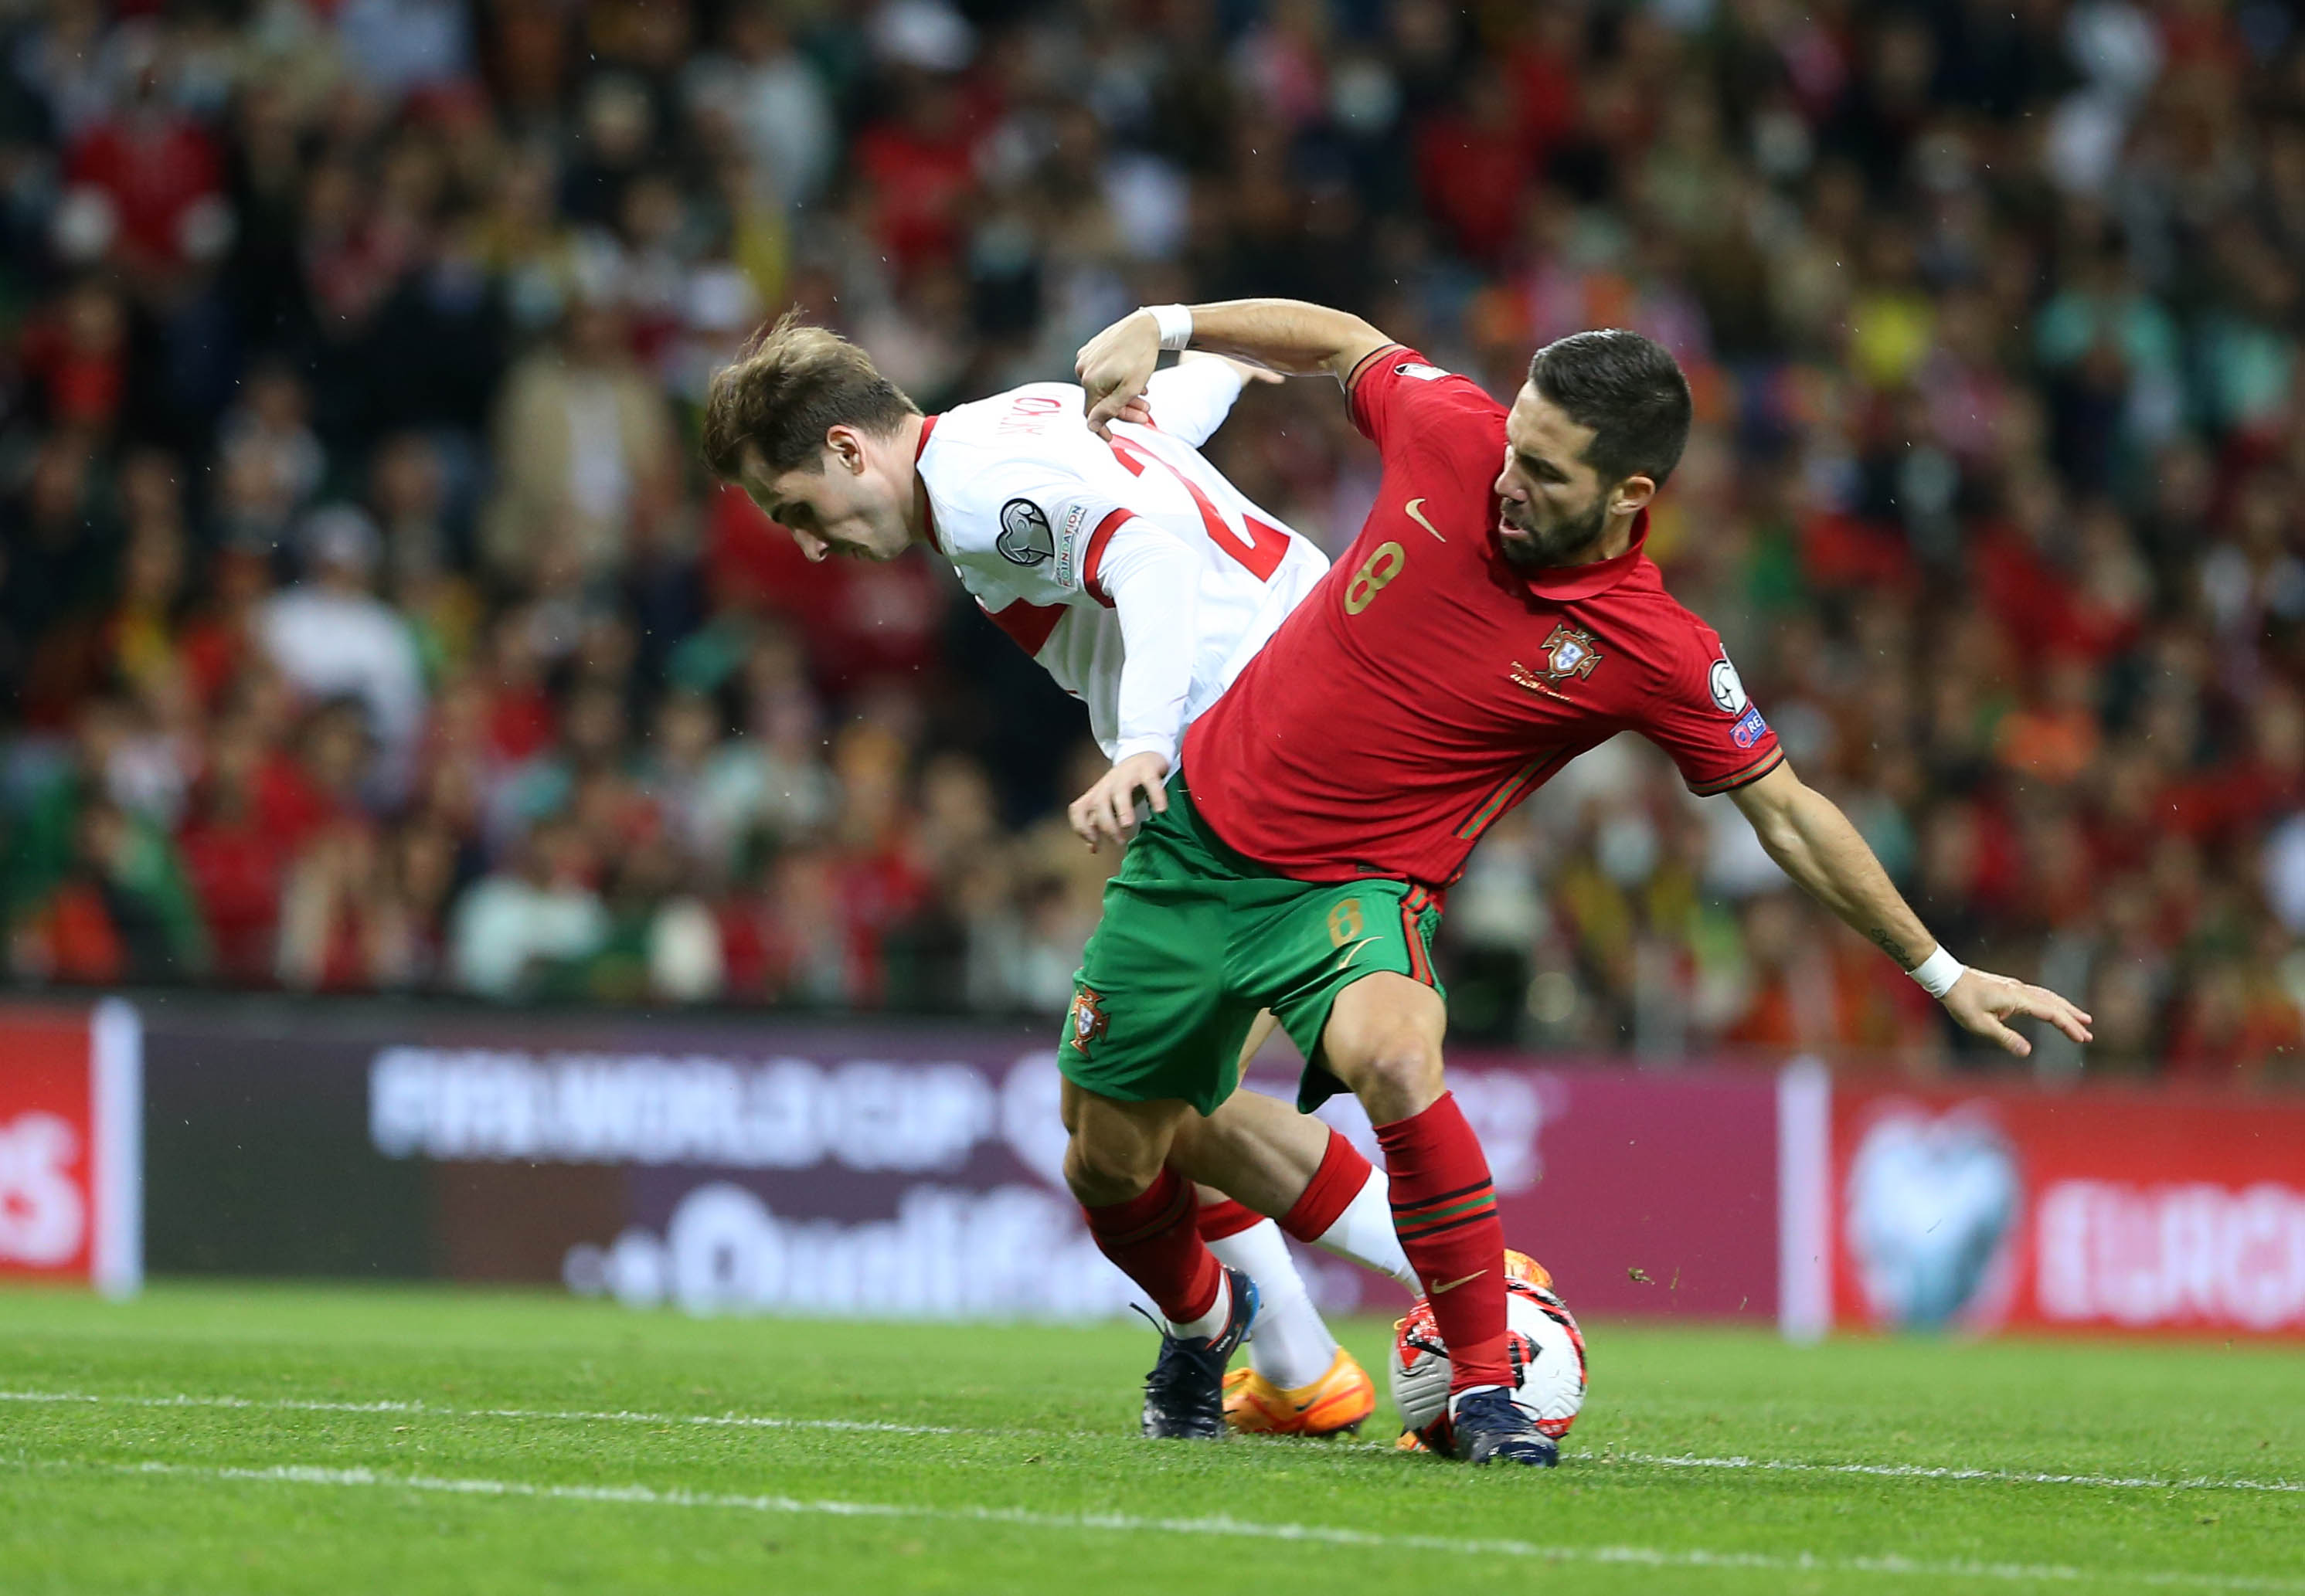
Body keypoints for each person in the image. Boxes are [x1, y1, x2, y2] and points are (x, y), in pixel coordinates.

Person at [1066, 297, 2096, 1467]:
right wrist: (1173, 325)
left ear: (1631, 498)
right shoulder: (1453, 435)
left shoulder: (1653, 646)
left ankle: (1489, 1389)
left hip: (1353, 892)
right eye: (1514, 448)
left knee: (1398, 1054)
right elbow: (1344, 342)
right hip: (1194, 848)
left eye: (1545, 474)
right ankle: (1208, 1321)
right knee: (1107, 1158)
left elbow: (1790, 814)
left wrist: (1942, 970)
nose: (1507, 481)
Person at [699, 312, 1422, 1438]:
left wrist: (1140, 741)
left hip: (1263, 744)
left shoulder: (985, 491)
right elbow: (1151, 429)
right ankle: (1293, 1357)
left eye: (795, 507)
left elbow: (1149, 551)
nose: (806, 543)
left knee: (1134, 1115)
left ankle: (1475, 1297)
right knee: (1144, 1106)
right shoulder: (1006, 427)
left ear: (848, 450)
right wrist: (1225, 364)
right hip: (1297, 714)